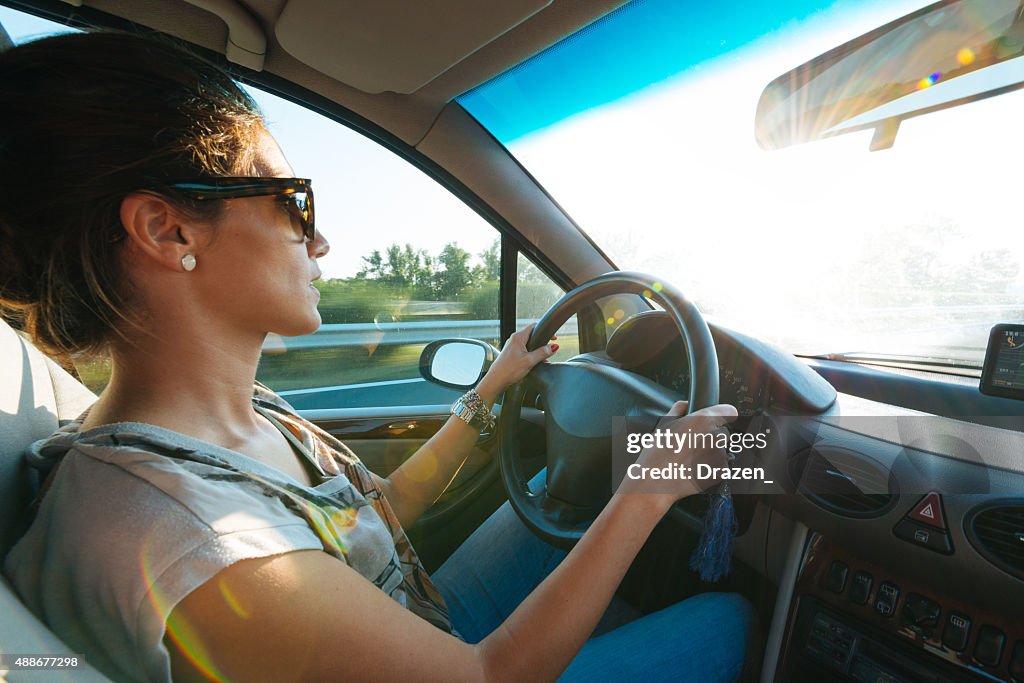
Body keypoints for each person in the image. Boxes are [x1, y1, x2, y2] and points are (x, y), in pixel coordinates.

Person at [0, 31, 755, 682]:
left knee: (551, 484)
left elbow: (370, 517)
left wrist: (489, 390)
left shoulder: (229, 420)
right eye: (294, 202)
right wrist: (650, 489)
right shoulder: (192, 539)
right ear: (170, 232)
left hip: (409, 614)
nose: (319, 239)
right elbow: (488, 673)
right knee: (729, 616)